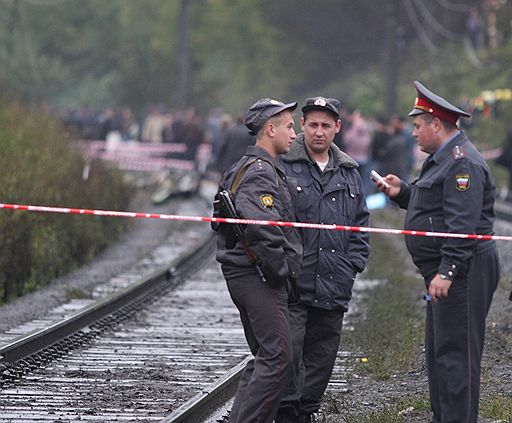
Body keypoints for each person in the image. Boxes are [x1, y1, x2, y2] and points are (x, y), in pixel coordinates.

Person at [374, 81, 500, 423]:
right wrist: (402, 193)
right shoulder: (442, 159)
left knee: (457, 355)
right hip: (448, 270)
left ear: (435, 125)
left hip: (465, 270)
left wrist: (447, 271)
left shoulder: (462, 164)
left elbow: (462, 224)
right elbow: (434, 207)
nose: (413, 134)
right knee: (440, 353)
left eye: (417, 126)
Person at [276, 97, 371, 423]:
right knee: (288, 351)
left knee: (322, 355)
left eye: (326, 126)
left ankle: (306, 410)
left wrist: (353, 263)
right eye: (313, 124)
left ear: (337, 128)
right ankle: (287, 410)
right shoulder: (284, 164)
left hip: (334, 284)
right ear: (302, 125)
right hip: (293, 283)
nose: (319, 132)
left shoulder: (349, 172)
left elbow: (360, 224)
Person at [213, 98, 303, 423]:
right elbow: (263, 229)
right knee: (279, 358)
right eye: (290, 126)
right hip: (258, 277)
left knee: (267, 356)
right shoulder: (261, 172)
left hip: (247, 275)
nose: (296, 133)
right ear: (270, 129)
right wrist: (281, 273)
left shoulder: (249, 166)